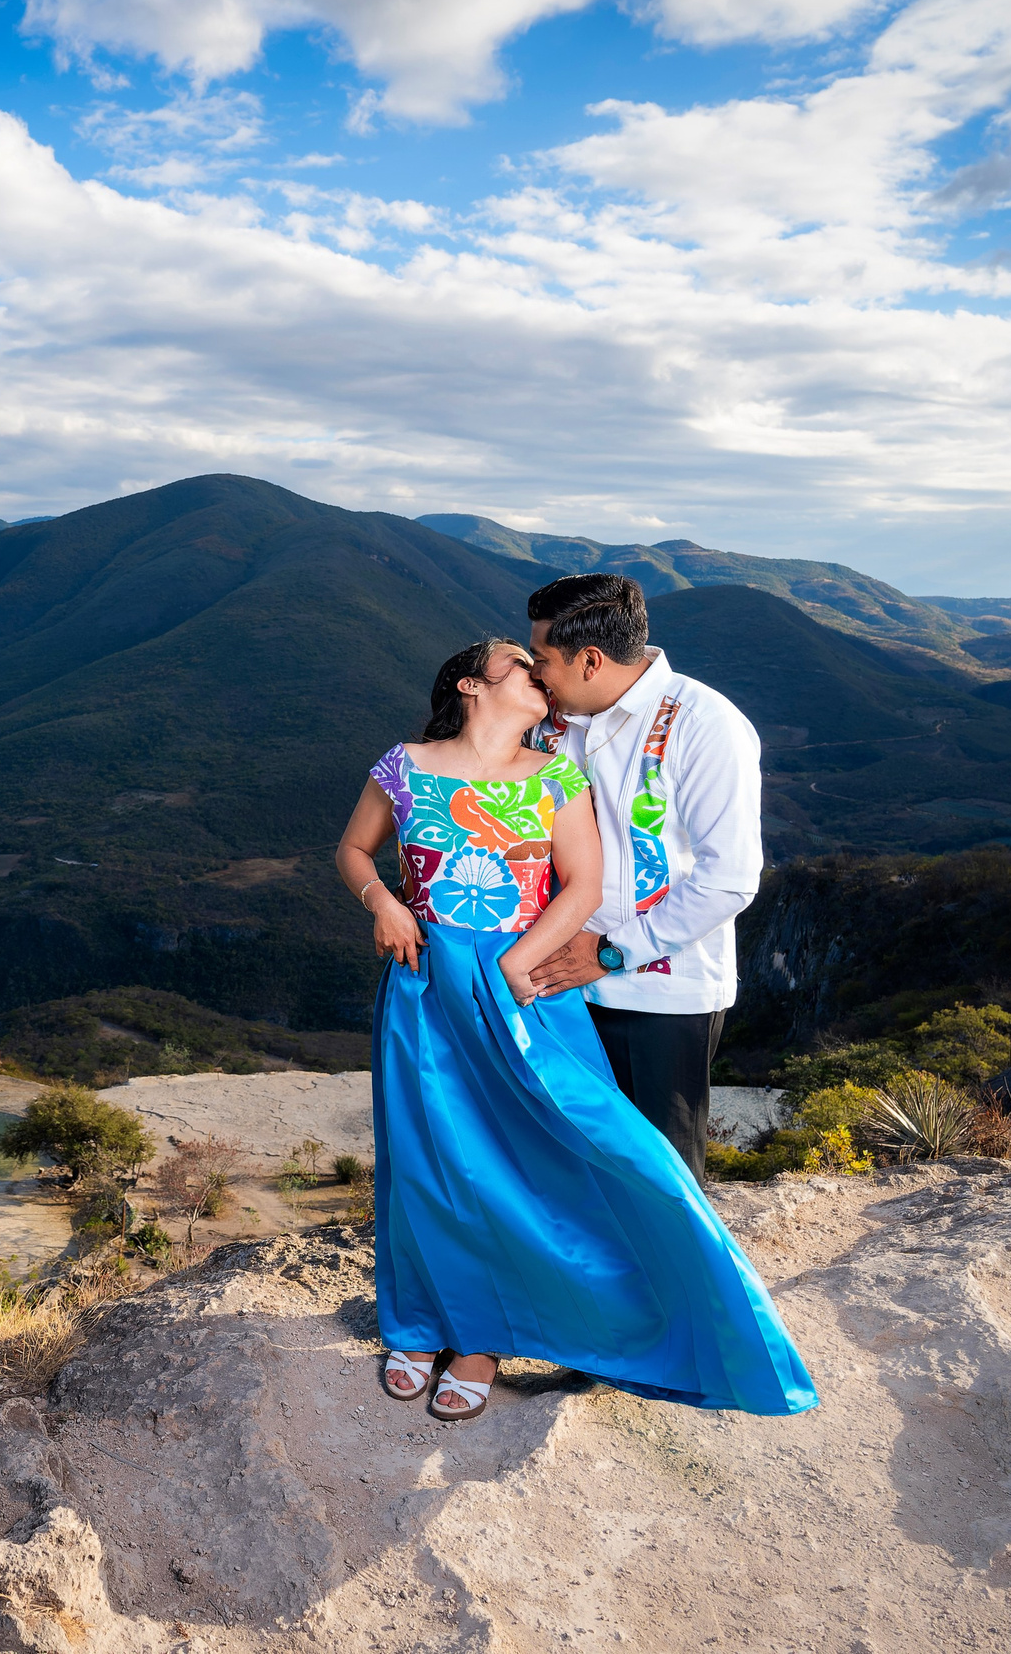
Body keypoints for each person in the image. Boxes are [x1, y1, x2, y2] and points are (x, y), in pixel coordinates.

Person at [338, 638, 816, 1422]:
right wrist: (382, 903)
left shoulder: (558, 772)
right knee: (426, 1159)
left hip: (523, 986)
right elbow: (354, 849)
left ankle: (486, 1340)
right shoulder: (403, 765)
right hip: (424, 986)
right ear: (470, 684)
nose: (537, 670)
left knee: (534, 1162)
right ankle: (419, 1323)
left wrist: (516, 964)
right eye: (517, 660)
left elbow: (585, 885)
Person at [521, 574, 763, 1181]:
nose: (535, 675)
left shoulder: (704, 723)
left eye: (543, 660)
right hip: (557, 987)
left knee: (661, 1178)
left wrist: (609, 951)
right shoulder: (549, 722)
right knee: (570, 1167)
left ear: (590, 660)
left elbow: (730, 879)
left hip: (660, 995)